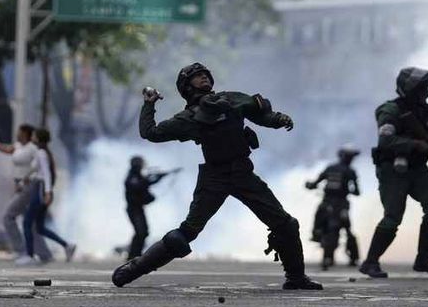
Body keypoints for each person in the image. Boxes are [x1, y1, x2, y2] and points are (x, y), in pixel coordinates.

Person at [111, 63, 321, 290]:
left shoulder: (231, 99)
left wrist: (278, 119)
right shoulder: (188, 118)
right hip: (214, 178)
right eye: (197, 76)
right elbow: (150, 133)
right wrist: (149, 103)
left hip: (243, 174)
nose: (203, 78)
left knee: (286, 225)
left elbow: (260, 114)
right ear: (186, 87)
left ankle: (296, 279)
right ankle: (133, 269)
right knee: (185, 234)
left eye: (205, 74)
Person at [359, 67, 428, 278]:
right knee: (393, 217)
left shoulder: (427, 113)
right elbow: (386, 140)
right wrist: (414, 144)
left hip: (418, 168)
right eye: (422, 87)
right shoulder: (391, 110)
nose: (426, 91)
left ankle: (423, 258)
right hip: (393, 169)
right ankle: (370, 262)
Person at [0, 124, 52, 262]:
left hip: (29, 187)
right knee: (30, 223)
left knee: (9, 217)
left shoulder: (33, 149)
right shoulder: (19, 147)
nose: (17, 134)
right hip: (22, 186)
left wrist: (44, 190)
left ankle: (23, 251)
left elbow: (40, 169)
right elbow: (7, 149)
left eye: (20, 132)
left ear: (26, 134)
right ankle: (43, 253)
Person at [19, 128, 77, 265]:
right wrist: (27, 178)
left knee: (27, 222)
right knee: (39, 227)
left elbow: (46, 173)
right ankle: (67, 246)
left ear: (38, 138)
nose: (32, 137)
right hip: (40, 188)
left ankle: (29, 255)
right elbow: (38, 170)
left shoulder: (41, 153)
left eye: (34, 135)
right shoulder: (42, 152)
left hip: (41, 190)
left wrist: (47, 192)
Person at [305, 144, 361, 270]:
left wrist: (310, 185)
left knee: (319, 220)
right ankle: (354, 258)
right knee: (347, 229)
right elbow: (357, 191)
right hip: (341, 205)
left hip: (327, 202)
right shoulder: (350, 171)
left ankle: (317, 235)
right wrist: (351, 191)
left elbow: (315, 183)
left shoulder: (330, 168)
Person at [124, 156, 181, 259]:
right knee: (141, 232)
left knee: (143, 232)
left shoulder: (138, 177)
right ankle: (133, 255)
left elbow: (146, 183)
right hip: (134, 209)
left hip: (138, 209)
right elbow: (139, 185)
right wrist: (151, 179)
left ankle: (135, 255)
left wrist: (158, 178)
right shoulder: (132, 178)